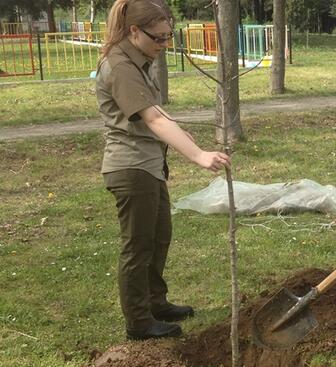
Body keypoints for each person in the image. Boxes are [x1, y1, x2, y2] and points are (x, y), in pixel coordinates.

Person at [96, 0, 230, 340]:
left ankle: (156, 302)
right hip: (131, 167)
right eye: (158, 38)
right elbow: (153, 120)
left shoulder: (137, 60)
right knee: (137, 246)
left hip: (148, 166)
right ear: (134, 31)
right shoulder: (120, 66)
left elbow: (159, 114)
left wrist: (191, 141)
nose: (164, 44)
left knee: (158, 238)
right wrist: (198, 156)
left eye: (169, 36)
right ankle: (139, 322)